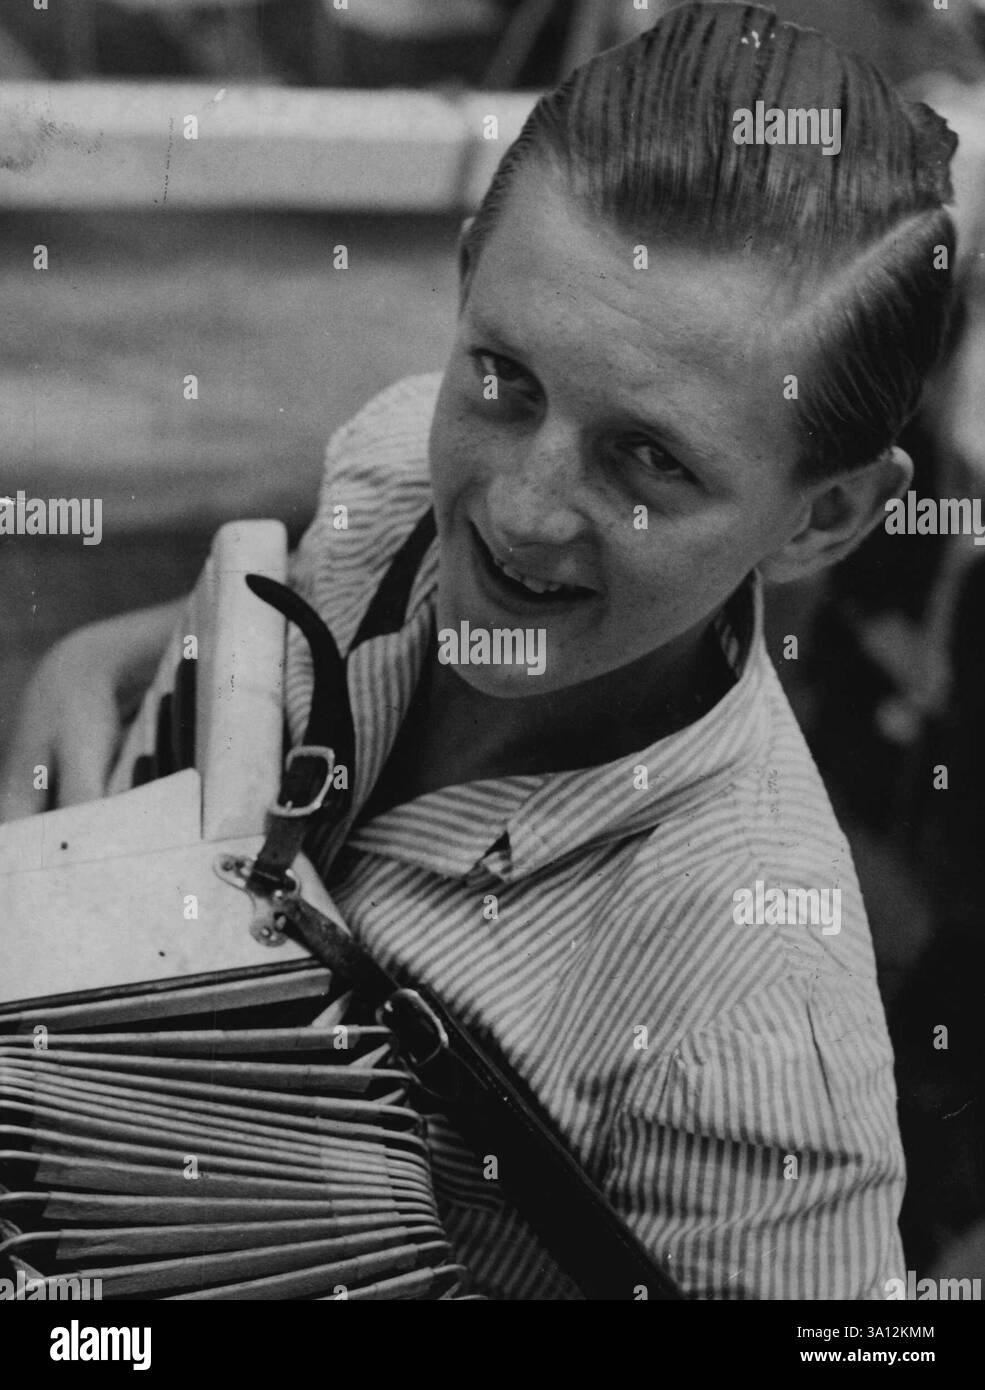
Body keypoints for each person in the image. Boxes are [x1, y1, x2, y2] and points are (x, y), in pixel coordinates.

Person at [0, 3, 960, 1299]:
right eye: (504, 377)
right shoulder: (396, 452)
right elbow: (272, 602)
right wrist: (101, 665)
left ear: (826, 512)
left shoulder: (759, 1023)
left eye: (650, 460)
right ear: (463, 285)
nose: (514, 507)